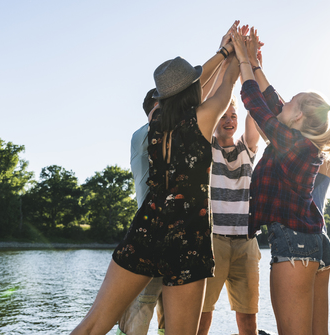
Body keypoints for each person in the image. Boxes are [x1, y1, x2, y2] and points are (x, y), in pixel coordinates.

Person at [70, 23, 240, 335]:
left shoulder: (156, 122)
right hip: (188, 234)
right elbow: (227, 83)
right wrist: (237, 53)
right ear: (193, 90)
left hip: (147, 225)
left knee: (93, 325)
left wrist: (222, 52)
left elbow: (196, 84)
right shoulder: (202, 121)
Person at [231, 27, 330, 335]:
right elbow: (272, 100)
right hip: (315, 242)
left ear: (297, 119)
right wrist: (255, 63)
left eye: (291, 102)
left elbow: (256, 102)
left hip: (296, 244)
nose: (284, 102)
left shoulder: (292, 144)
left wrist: (243, 58)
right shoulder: (300, 142)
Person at [197, 87, 261, 335]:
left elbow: (254, 111)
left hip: (246, 243)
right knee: (203, 314)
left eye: (233, 116)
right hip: (213, 242)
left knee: (248, 318)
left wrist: (251, 70)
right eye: (223, 115)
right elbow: (207, 105)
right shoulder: (207, 147)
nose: (229, 120)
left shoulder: (247, 147)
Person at [117, 88, 164, 335]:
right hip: (149, 236)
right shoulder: (141, 136)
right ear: (151, 110)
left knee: (171, 315)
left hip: (176, 239)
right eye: (160, 106)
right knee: (141, 308)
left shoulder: (175, 139)